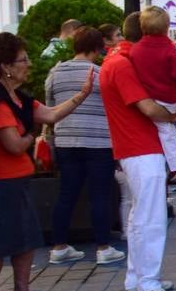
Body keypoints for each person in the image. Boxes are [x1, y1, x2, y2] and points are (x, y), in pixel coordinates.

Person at [0, 33, 93, 291]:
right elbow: (13, 144)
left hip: (15, 180)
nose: (29, 64)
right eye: (23, 60)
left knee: (26, 239)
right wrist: (31, 136)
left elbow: (49, 114)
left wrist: (81, 95)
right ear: (5, 66)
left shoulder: (18, 97)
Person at [100, 20, 176, 291]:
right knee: (151, 218)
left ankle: (137, 277)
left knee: (138, 217)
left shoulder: (115, 60)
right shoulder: (122, 64)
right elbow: (147, 107)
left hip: (132, 147)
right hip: (141, 147)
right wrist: (171, 115)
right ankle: (147, 281)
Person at [45, 26, 125, 267]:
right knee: (99, 194)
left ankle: (59, 246)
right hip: (99, 141)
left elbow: (49, 106)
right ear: (97, 47)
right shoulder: (100, 73)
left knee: (66, 193)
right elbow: (115, 108)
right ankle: (103, 247)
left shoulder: (56, 71)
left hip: (66, 140)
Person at [128, 6, 176, 177]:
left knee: (160, 130)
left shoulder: (136, 49)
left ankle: (168, 164)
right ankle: (175, 165)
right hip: (168, 97)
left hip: (147, 97)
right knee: (167, 130)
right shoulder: (169, 49)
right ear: (167, 27)